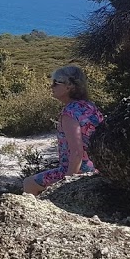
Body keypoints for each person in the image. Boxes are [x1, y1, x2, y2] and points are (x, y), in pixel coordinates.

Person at [22, 65, 103, 196]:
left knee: (29, 183)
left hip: (80, 171)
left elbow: (76, 152)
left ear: (69, 86)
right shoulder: (89, 106)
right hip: (97, 167)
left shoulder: (69, 113)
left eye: (56, 83)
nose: (51, 86)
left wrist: (67, 184)